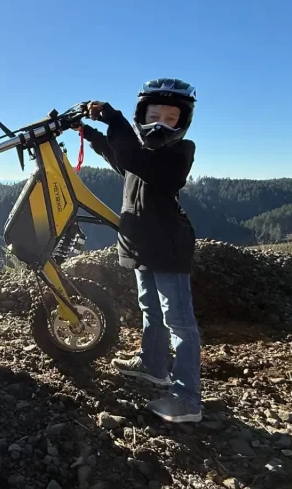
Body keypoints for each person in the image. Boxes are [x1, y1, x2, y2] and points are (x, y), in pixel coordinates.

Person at [78, 78, 202, 423]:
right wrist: (88, 133)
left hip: (169, 247)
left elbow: (134, 156)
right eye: (154, 116)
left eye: (171, 118)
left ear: (183, 122)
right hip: (141, 243)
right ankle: (153, 365)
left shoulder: (180, 152)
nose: (161, 124)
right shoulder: (139, 157)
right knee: (150, 308)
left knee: (179, 322)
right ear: (142, 116)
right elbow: (120, 157)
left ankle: (187, 398)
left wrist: (113, 118)